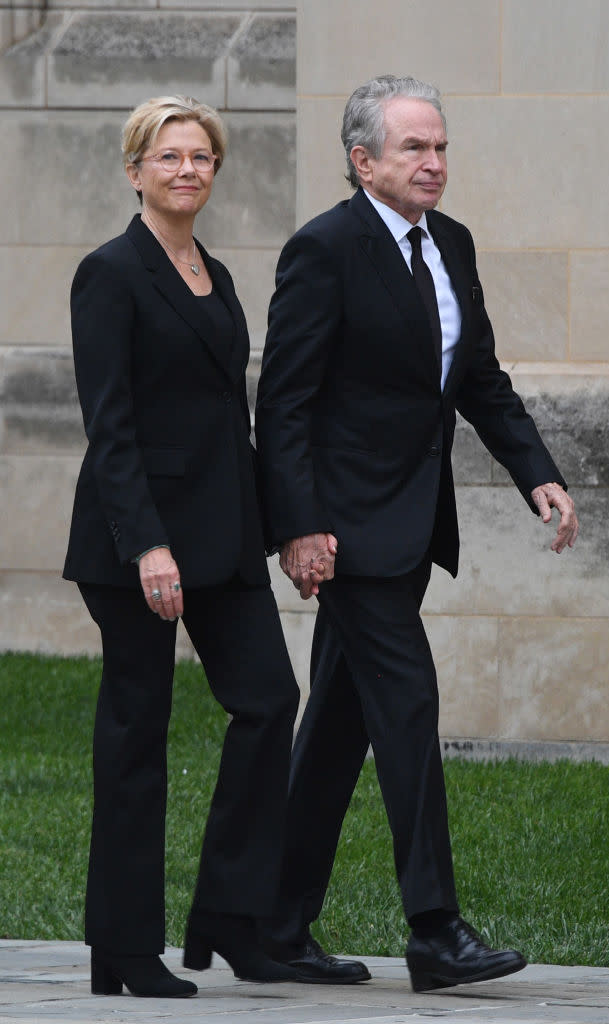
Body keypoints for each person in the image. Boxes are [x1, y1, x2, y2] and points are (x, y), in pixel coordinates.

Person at [255, 75, 579, 993]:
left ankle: (273, 925)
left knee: (336, 727)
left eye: (439, 148)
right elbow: (282, 403)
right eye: (413, 149)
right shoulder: (323, 248)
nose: (433, 163)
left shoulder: (451, 243)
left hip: (410, 522)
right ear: (362, 160)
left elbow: (478, 376)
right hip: (346, 534)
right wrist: (299, 525)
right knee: (406, 706)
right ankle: (434, 930)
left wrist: (538, 475)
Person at [63, 95, 300, 998]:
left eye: (201, 157)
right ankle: (121, 949)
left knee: (269, 701)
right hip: (139, 545)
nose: (187, 170)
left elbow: (226, 420)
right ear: (135, 171)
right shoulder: (110, 273)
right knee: (136, 735)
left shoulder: (216, 273)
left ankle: (231, 919)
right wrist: (147, 546)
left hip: (226, 535)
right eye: (169, 157)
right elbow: (110, 426)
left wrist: (277, 530)